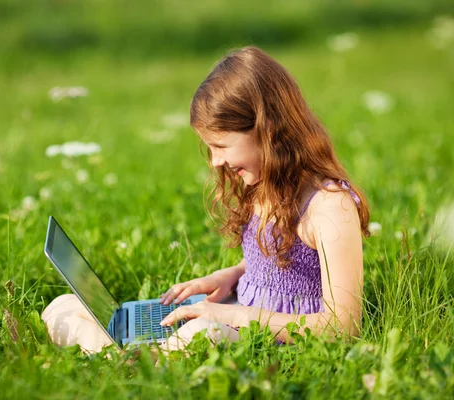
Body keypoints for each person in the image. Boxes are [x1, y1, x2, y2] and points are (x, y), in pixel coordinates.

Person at [41, 46, 370, 354]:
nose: (215, 161)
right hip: (236, 313)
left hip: (275, 337)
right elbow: (282, 262)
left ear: (267, 131)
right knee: (62, 305)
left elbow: (343, 326)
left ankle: (117, 359)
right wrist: (230, 278)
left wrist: (231, 315)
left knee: (200, 334)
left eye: (222, 146)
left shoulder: (330, 208)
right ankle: (119, 350)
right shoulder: (265, 183)